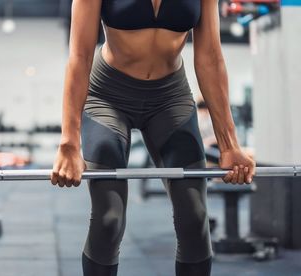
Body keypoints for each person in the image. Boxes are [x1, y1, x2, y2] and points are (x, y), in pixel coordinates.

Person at [51, 0, 256, 275]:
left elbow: (210, 56)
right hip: (108, 96)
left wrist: (229, 144)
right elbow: (79, 56)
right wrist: (69, 143)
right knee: (109, 218)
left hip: (169, 97)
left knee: (195, 218)